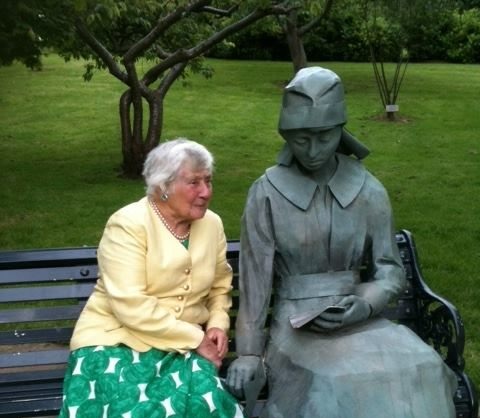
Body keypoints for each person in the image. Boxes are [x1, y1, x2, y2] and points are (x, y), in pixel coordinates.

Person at [226, 67, 458, 418]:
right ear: (286, 134)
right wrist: (246, 353)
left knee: (420, 364)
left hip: (362, 321)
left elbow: (390, 272)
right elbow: (255, 285)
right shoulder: (266, 193)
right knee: (338, 381)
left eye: (324, 136)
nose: (313, 150)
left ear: (340, 130)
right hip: (295, 329)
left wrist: (364, 303)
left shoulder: (368, 189)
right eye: (301, 139)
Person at [58, 138, 245, 418]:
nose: (206, 192)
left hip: (179, 350)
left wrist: (217, 323)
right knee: (134, 408)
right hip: (114, 341)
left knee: (208, 404)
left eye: (208, 181)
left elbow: (220, 285)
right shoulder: (128, 224)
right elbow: (130, 304)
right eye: (194, 182)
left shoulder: (212, 224)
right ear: (163, 186)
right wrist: (196, 339)